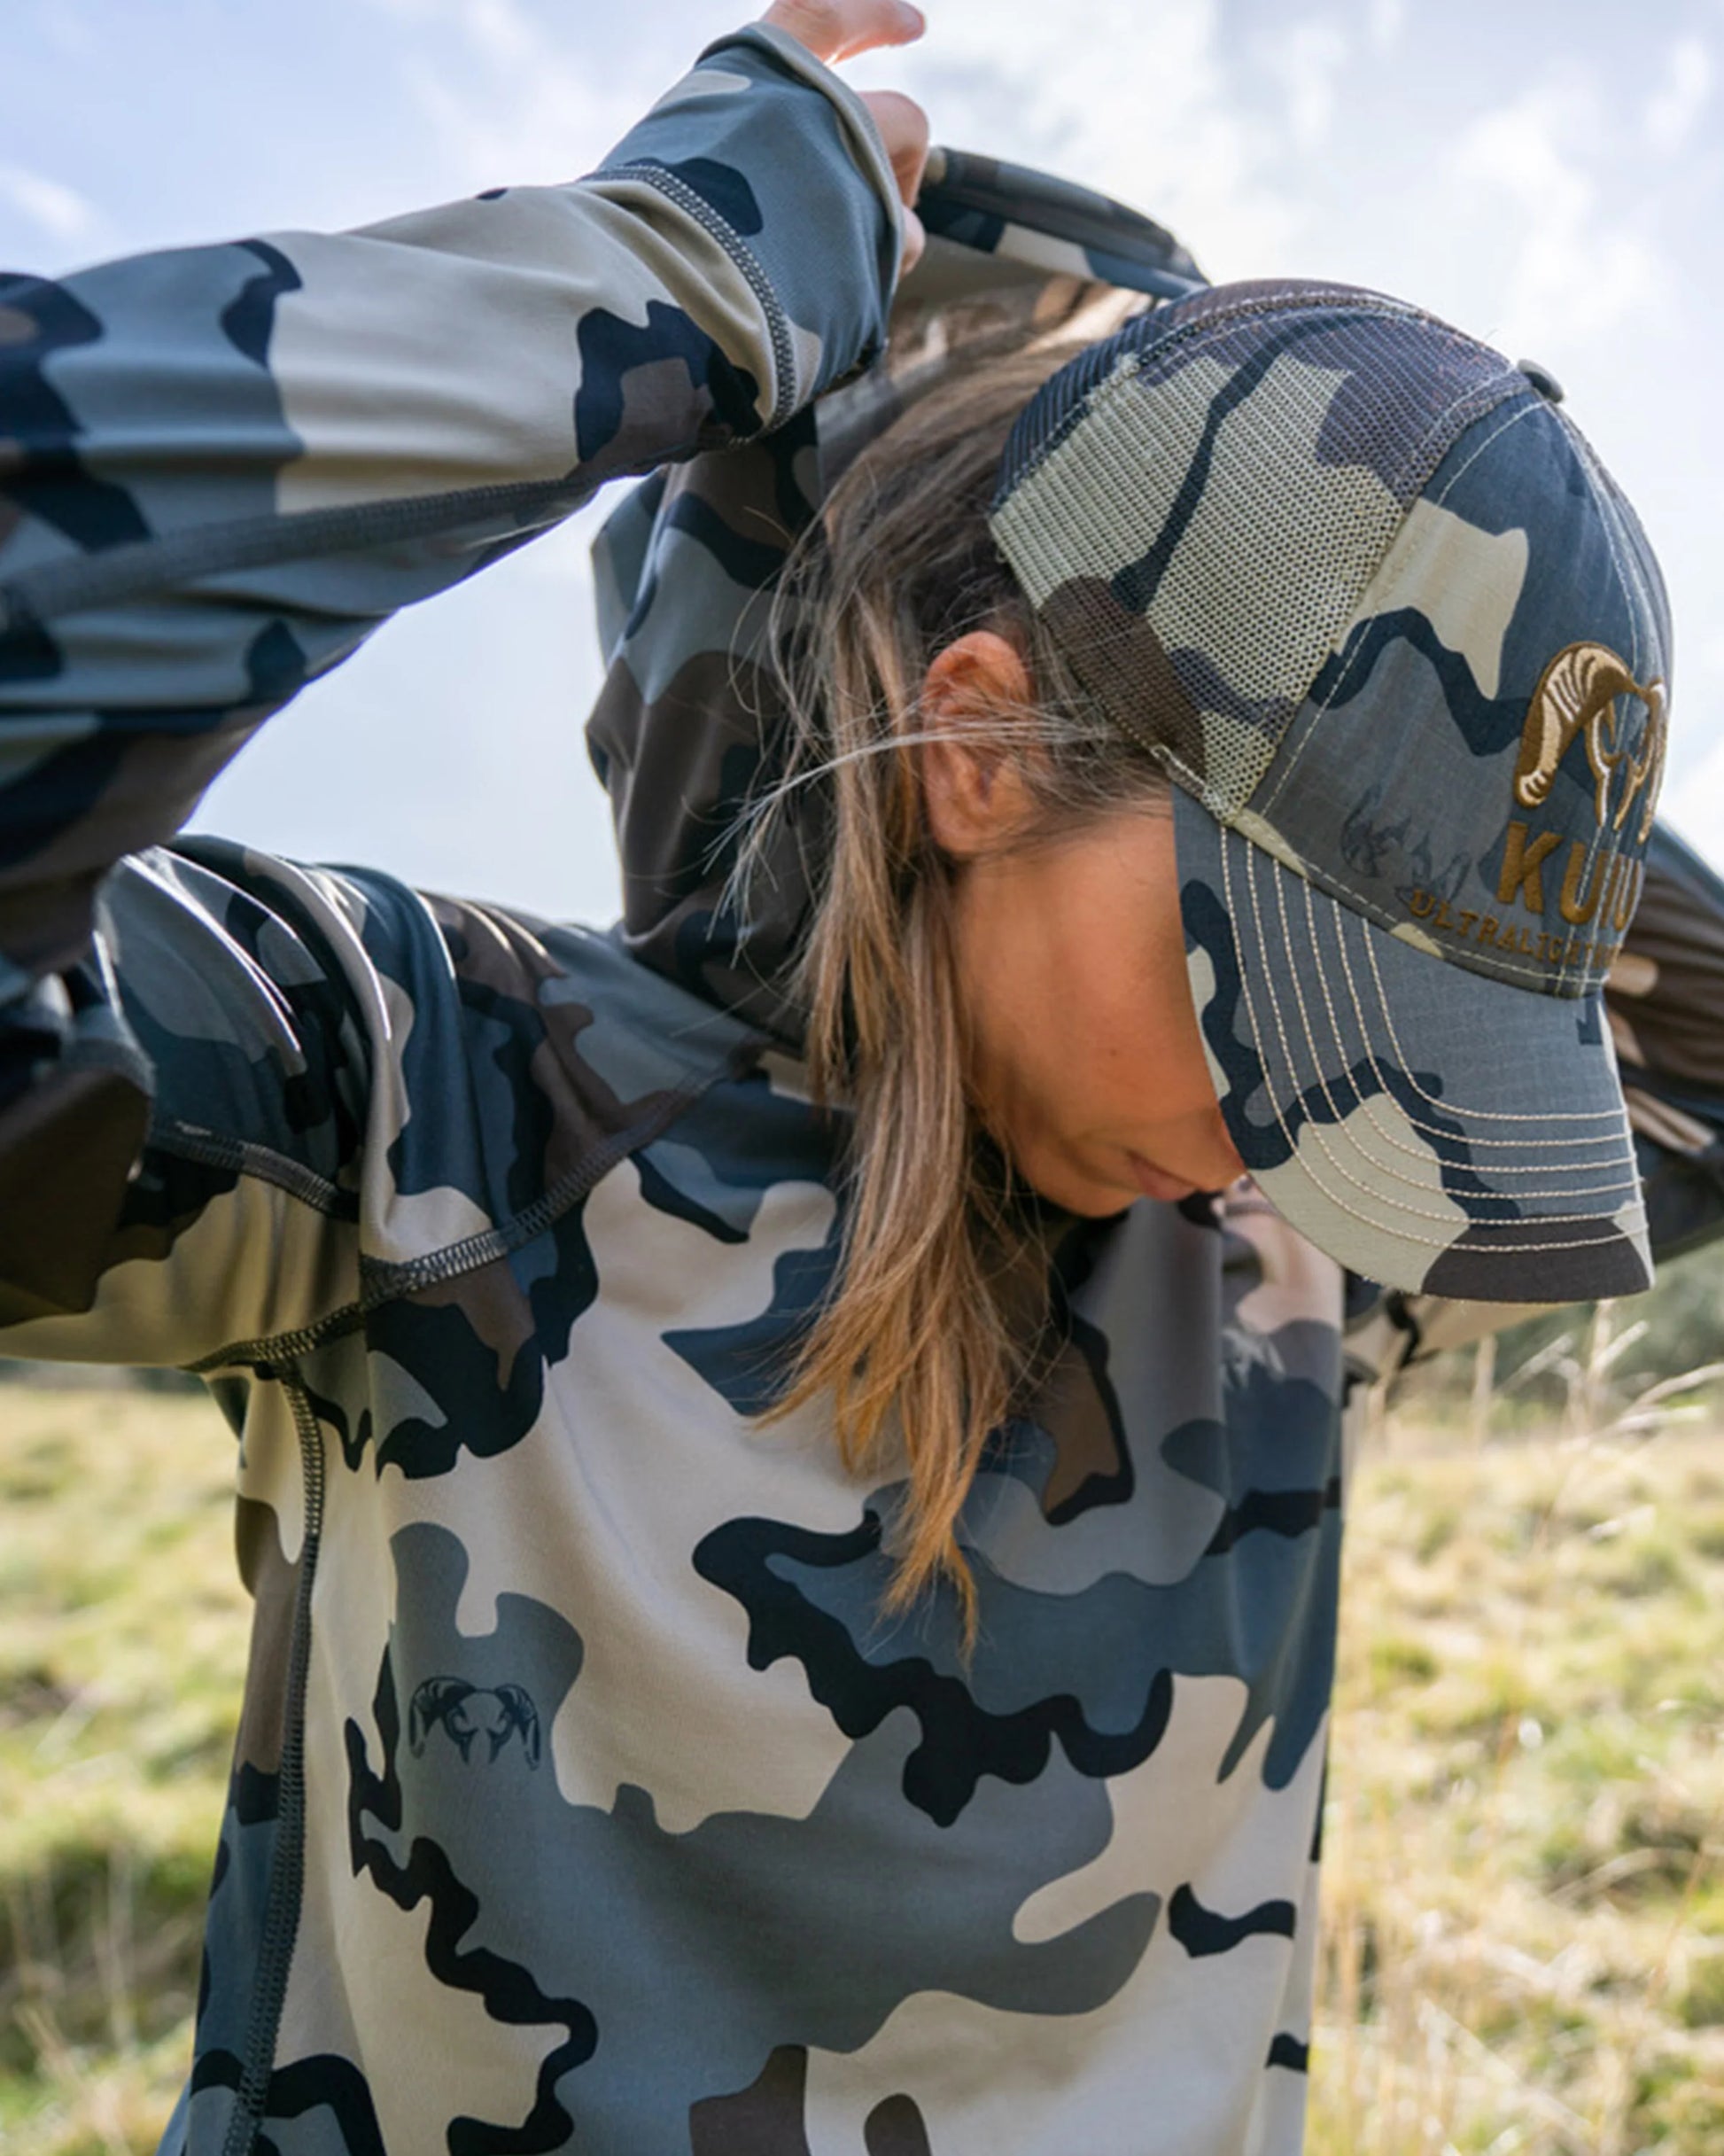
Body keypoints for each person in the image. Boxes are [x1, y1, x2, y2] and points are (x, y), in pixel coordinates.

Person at [0, 3, 1681, 2151]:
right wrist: (653, 295)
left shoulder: (1284, 1248)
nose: (1321, 1127)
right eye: (1287, 978)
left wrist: (1479, 739)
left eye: (1422, 1033)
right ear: (976, 746)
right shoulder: (424, 1105)